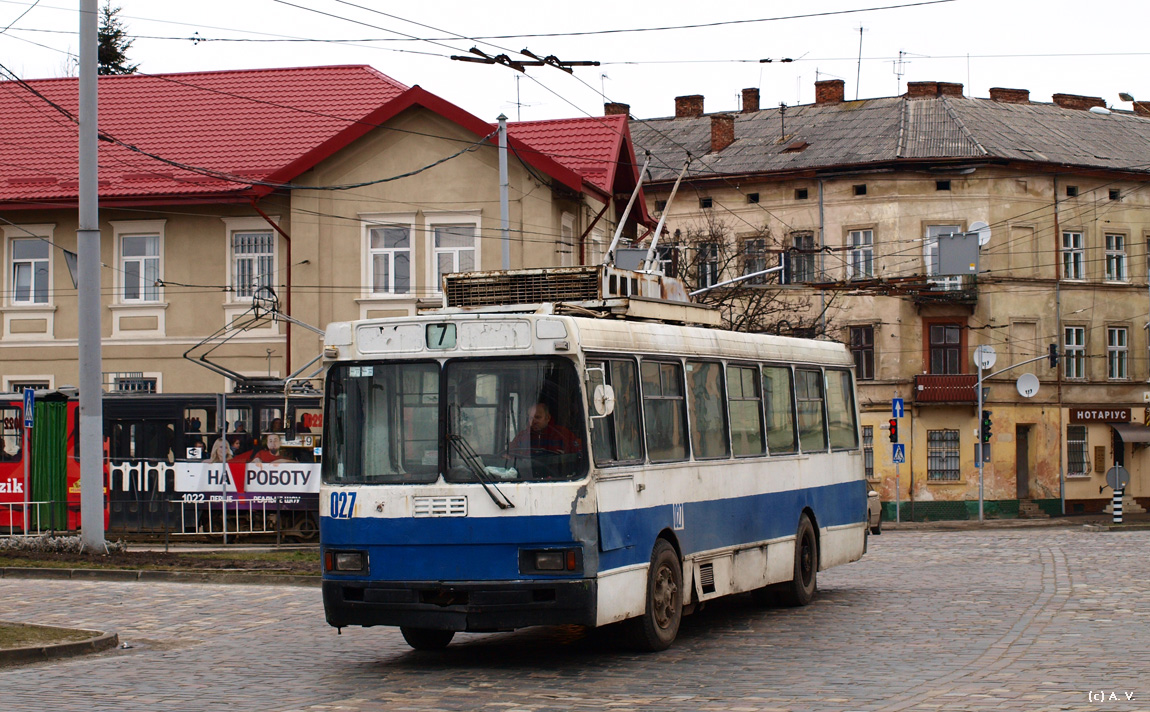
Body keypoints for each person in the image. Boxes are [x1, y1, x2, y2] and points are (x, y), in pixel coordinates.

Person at [508, 402, 581, 456]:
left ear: (548, 418)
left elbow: (579, 453)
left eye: (537, 417)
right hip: (527, 474)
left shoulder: (563, 434)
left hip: (558, 474)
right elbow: (510, 454)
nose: (533, 421)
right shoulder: (522, 437)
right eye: (530, 418)